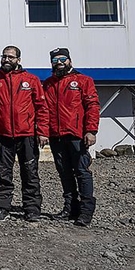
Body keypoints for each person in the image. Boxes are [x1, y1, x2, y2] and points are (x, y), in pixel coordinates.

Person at [0, 45, 50, 222]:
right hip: (3, 136)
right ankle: (1, 208)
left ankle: (32, 209)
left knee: (30, 173)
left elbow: (42, 107)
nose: (6, 60)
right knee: (2, 173)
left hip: (27, 135)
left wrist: (43, 131)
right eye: (4, 56)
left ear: (18, 60)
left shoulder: (31, 80)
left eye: (11, 57)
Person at [43, 48, 100, 226]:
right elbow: (43, 110)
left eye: (63, 59)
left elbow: (92, 106)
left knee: (82, 172)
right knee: (64, 173)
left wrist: (91, 130)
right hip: (56, 135)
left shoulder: (83, 80)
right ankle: (70, 208)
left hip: (77, 135)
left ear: (69, 60)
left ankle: (86, 211)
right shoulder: (48, 84)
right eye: (55, 60)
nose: (59, 63)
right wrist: (43, 132)